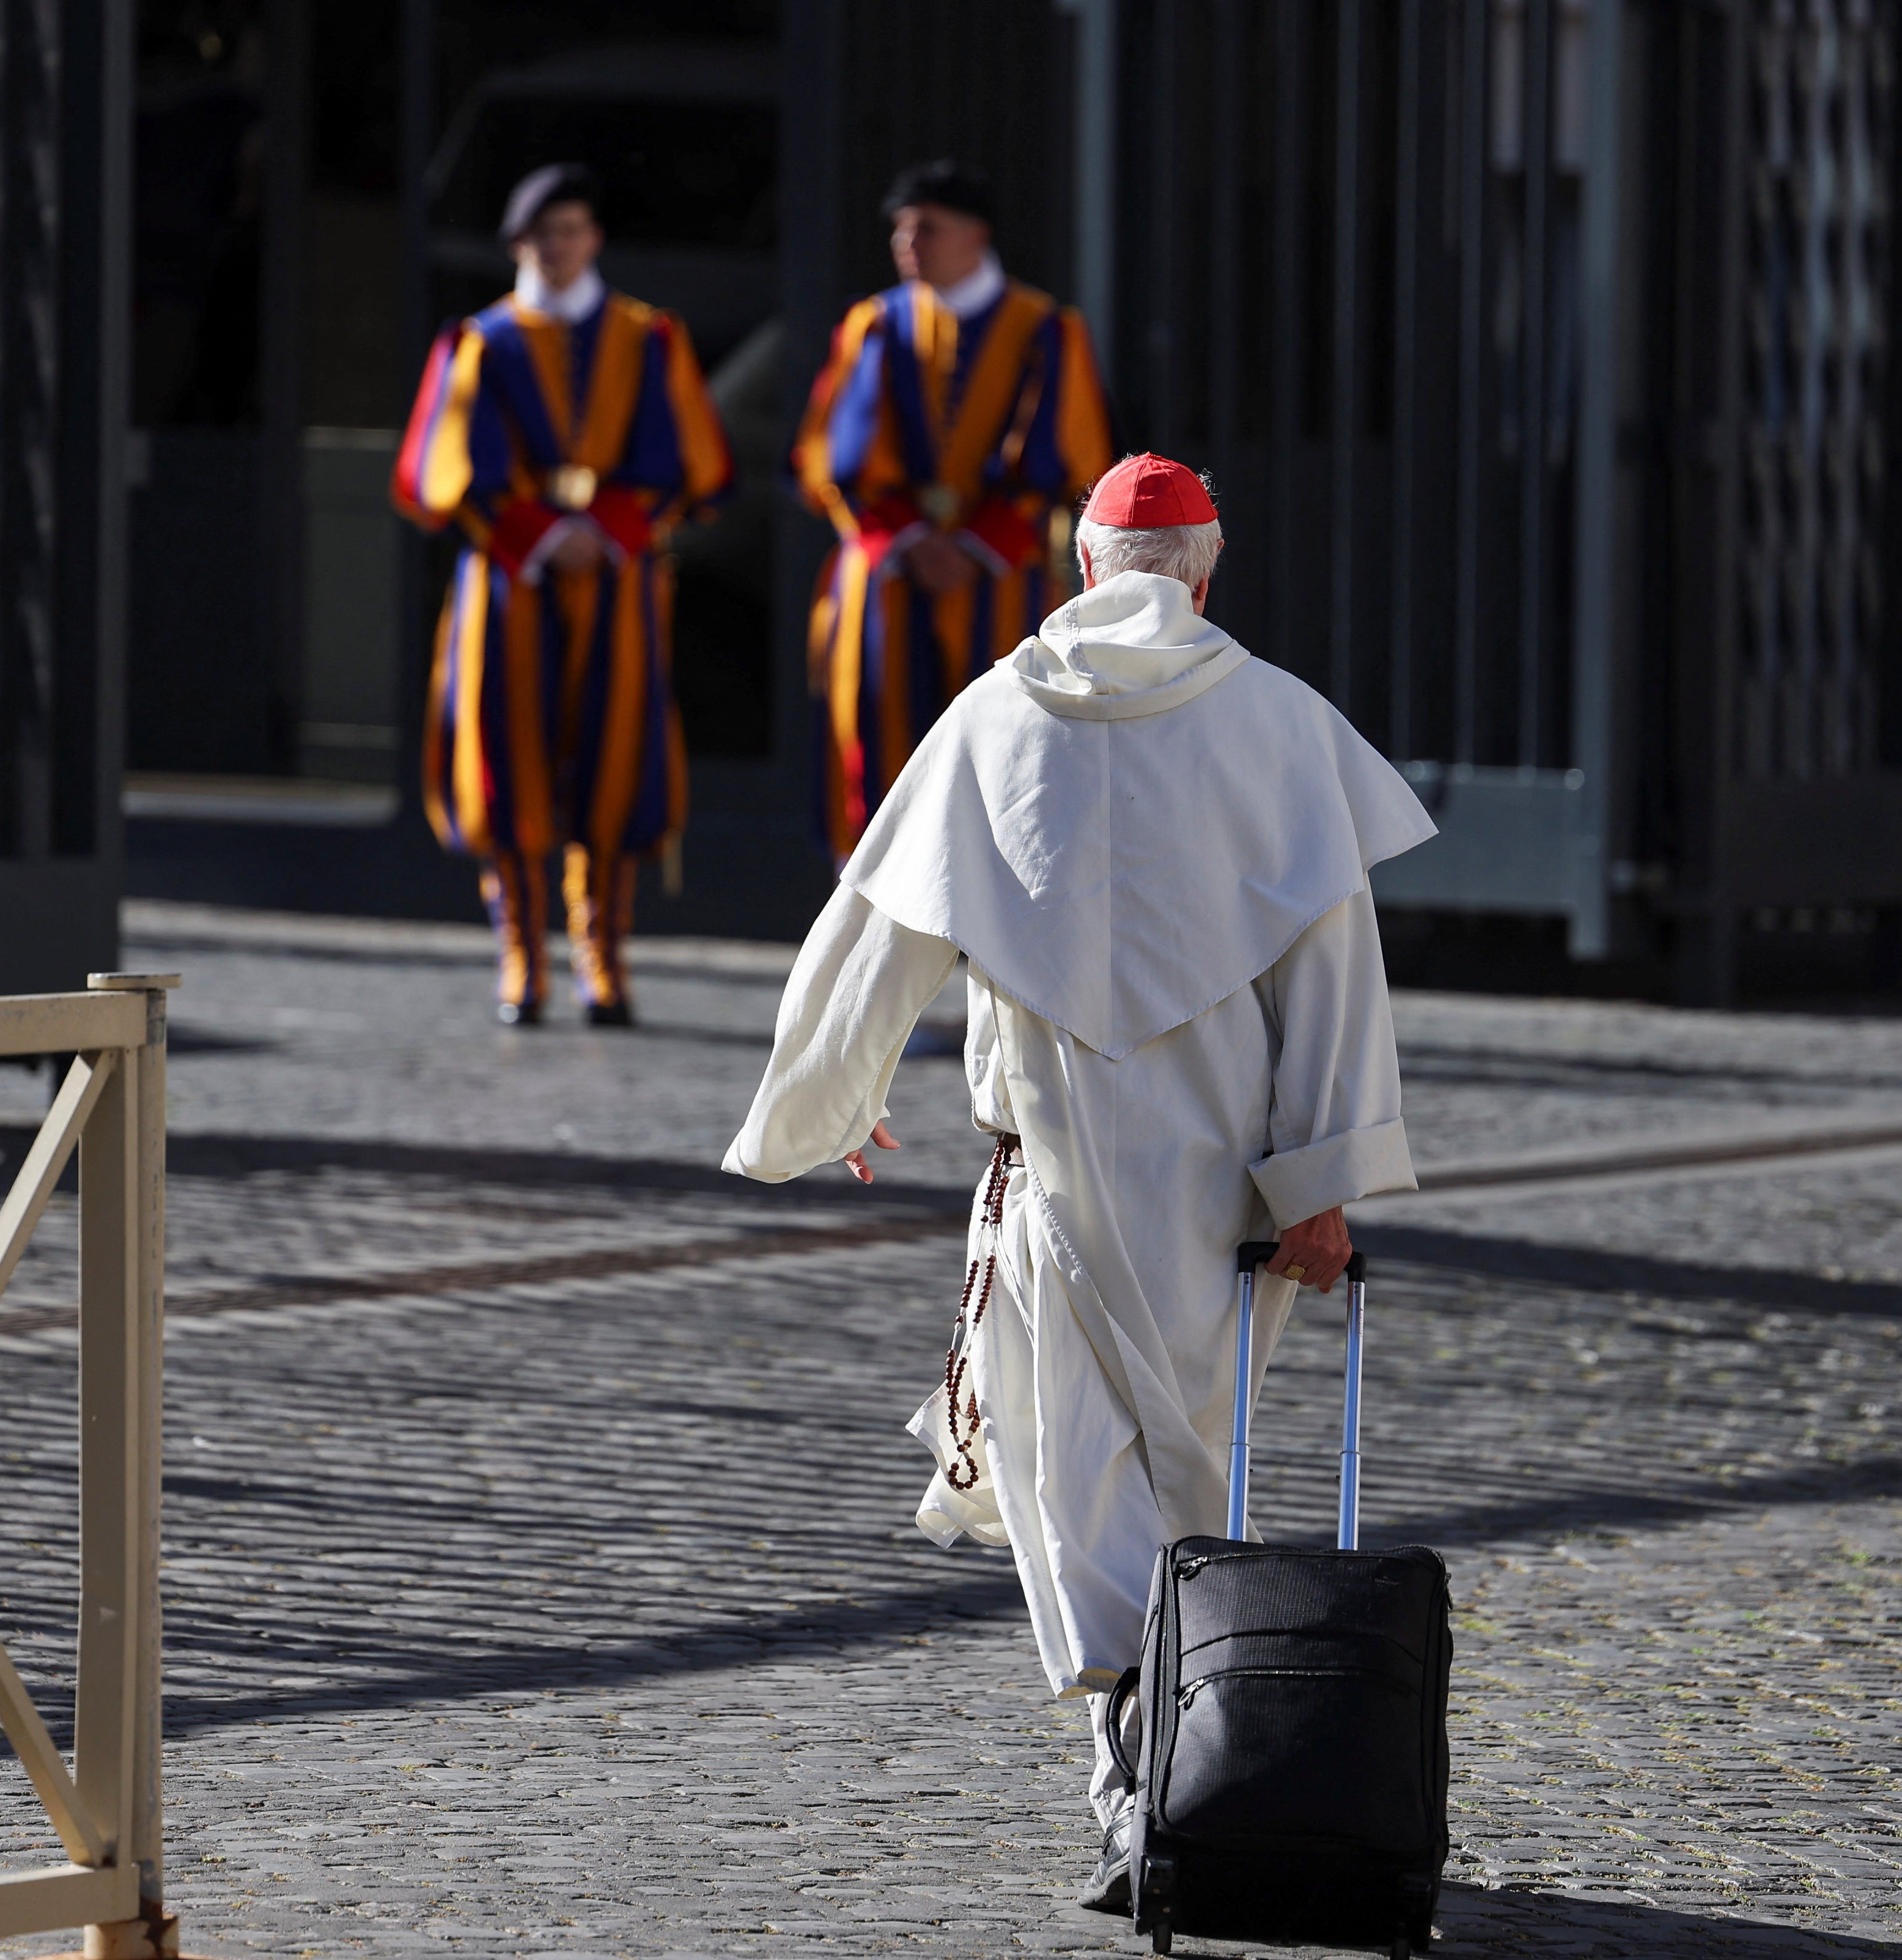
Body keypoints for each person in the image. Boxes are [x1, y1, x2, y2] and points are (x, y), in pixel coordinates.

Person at [721, 455, 1433, 1908]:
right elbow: (1333, 975)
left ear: (1084, 570)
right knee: (1182, 1450)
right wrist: (1318, 1179)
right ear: (1203, 575)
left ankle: (1143, 1758)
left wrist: (821, 1102)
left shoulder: (992, 719)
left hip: (1050, 1155)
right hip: (1223, 1167)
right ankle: (1165, 1749)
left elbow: (873, 929)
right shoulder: (1281, 727)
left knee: (1069, 1466)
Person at [393, 163, 732, 1025]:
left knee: (615, 757)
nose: (560, 246)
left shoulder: (648, 336)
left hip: (617, 579)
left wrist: (607, 531)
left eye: (574, 230)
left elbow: (688, 462)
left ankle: (603, 953)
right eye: (544, 233)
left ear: (596, 240)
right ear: (519, 245)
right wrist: (544, 534)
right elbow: (445, 469)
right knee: (508, 757)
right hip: (512, 578)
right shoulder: (481, 340)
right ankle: (520, 955)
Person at [793, 160, 1115, 861]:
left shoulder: (1045, 329)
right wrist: (911, 538)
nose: (907, 242)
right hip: (889, 567)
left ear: (976, 234)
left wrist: (971, 545)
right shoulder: (873, 323)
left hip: (999, 575)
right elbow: (830, 457)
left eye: (926, 228)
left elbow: (1073, 463)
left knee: (1006, 741)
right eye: (900, 229)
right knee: (875, 735)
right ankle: (878, 912)